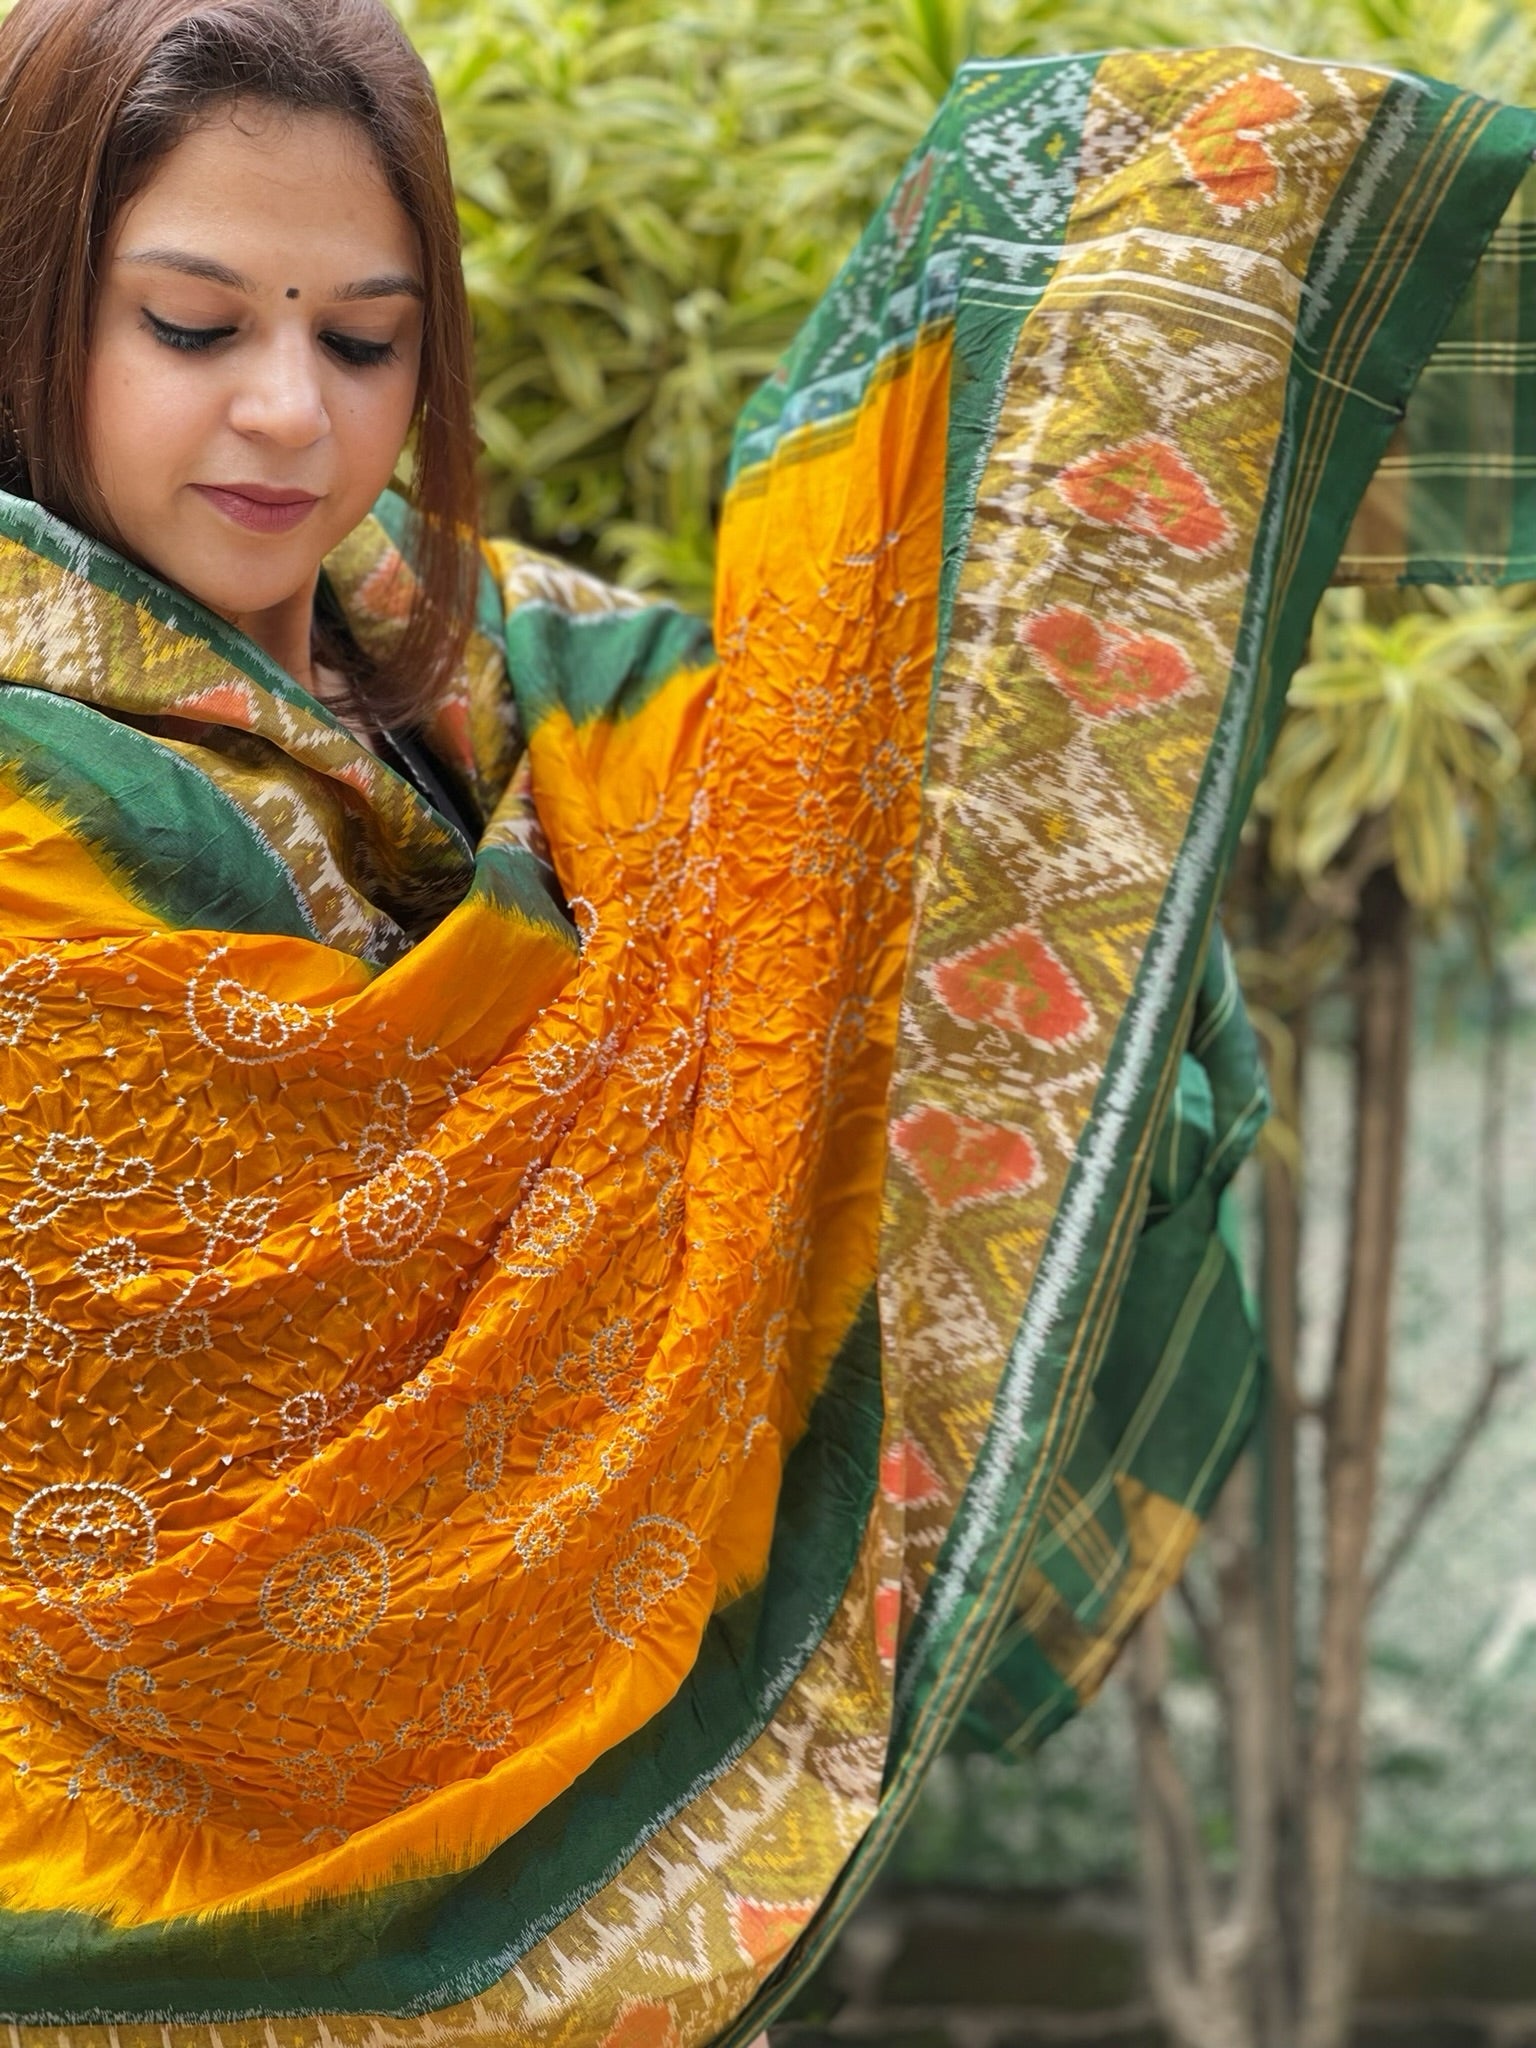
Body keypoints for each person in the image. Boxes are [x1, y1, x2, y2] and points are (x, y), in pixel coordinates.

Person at [0, 3, 1531, 2043]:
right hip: (127, 1895)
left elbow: (861, 793)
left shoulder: (479, 654)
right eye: (192, 328)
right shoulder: (33, 815)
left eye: (363, 342)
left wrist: (1066, 327)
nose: (288, 411)